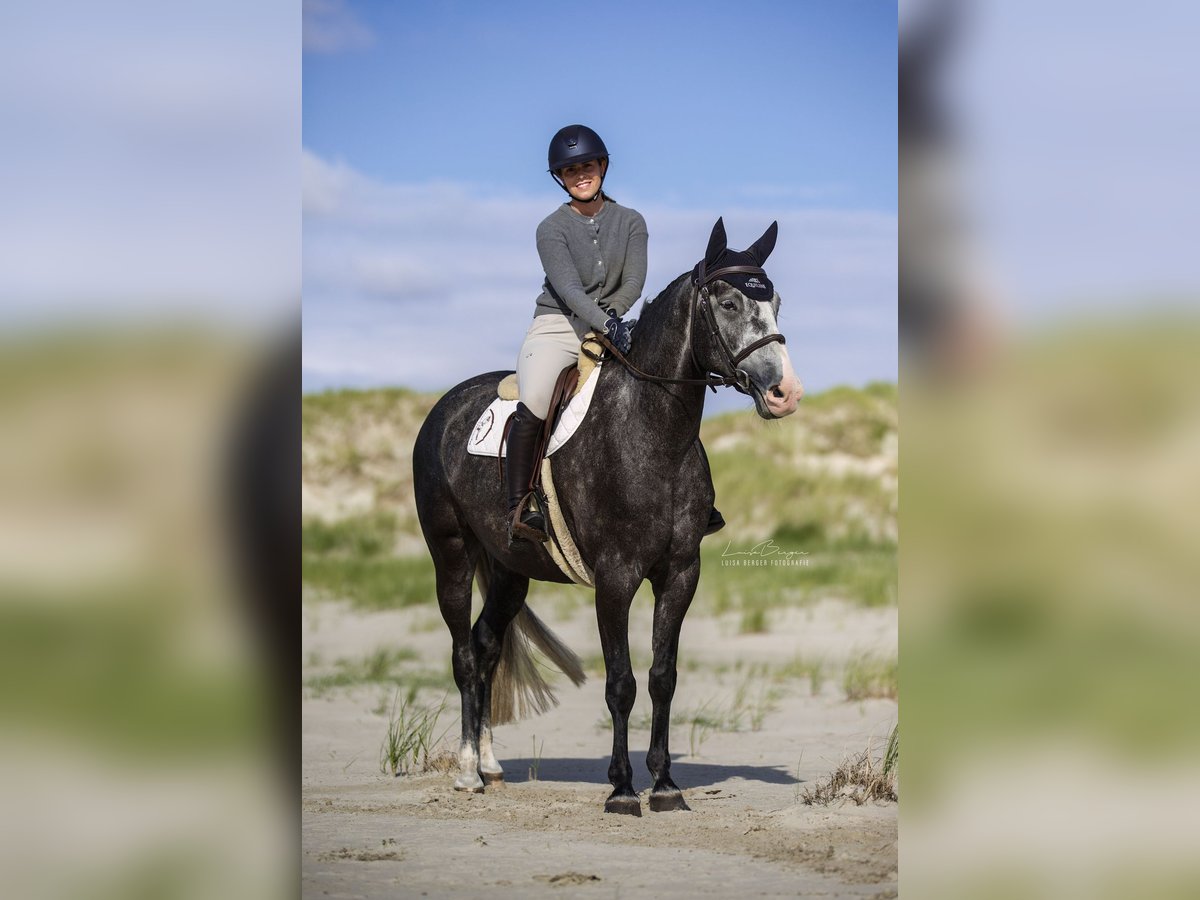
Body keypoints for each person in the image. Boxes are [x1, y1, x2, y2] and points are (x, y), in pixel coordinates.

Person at [506, 124, 724, 544]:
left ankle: (698, 498)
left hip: (614, 323)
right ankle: (520, 505)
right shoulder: (550, 228)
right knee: (534, 399)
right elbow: (568, 290)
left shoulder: (631, 221)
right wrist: (604, 324)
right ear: (560, 178)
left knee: (663, 392)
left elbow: (635, 280)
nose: (580, 175)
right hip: (558, 326)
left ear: (603, 166)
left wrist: (613, 317)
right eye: (570, 171)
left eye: (587, 165)